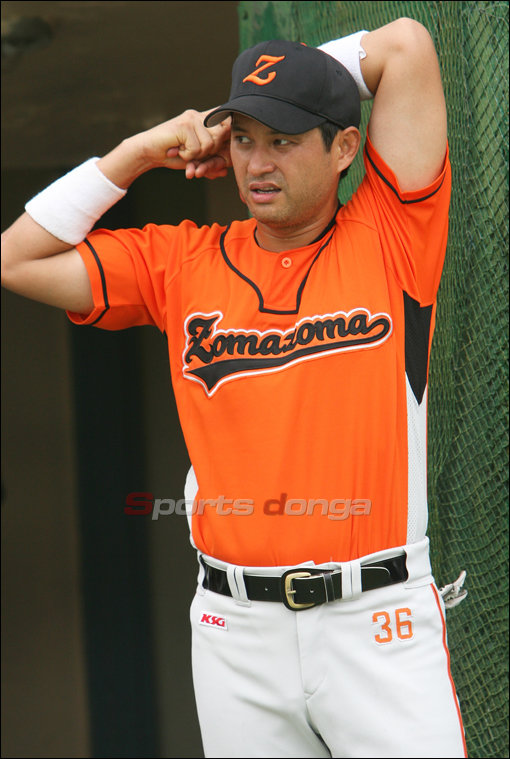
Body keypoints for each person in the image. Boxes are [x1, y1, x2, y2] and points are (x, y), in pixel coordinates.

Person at [1, 17, 468, 759]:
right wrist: (135, 153)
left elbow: (406, 44)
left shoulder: (391, 235)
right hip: (235, 631)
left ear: (345, 147)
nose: (257, 162)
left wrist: (289, 85)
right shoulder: (181, 262)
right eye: (244, 138)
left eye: (283, 140)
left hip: (377, 620)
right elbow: (16, 259)